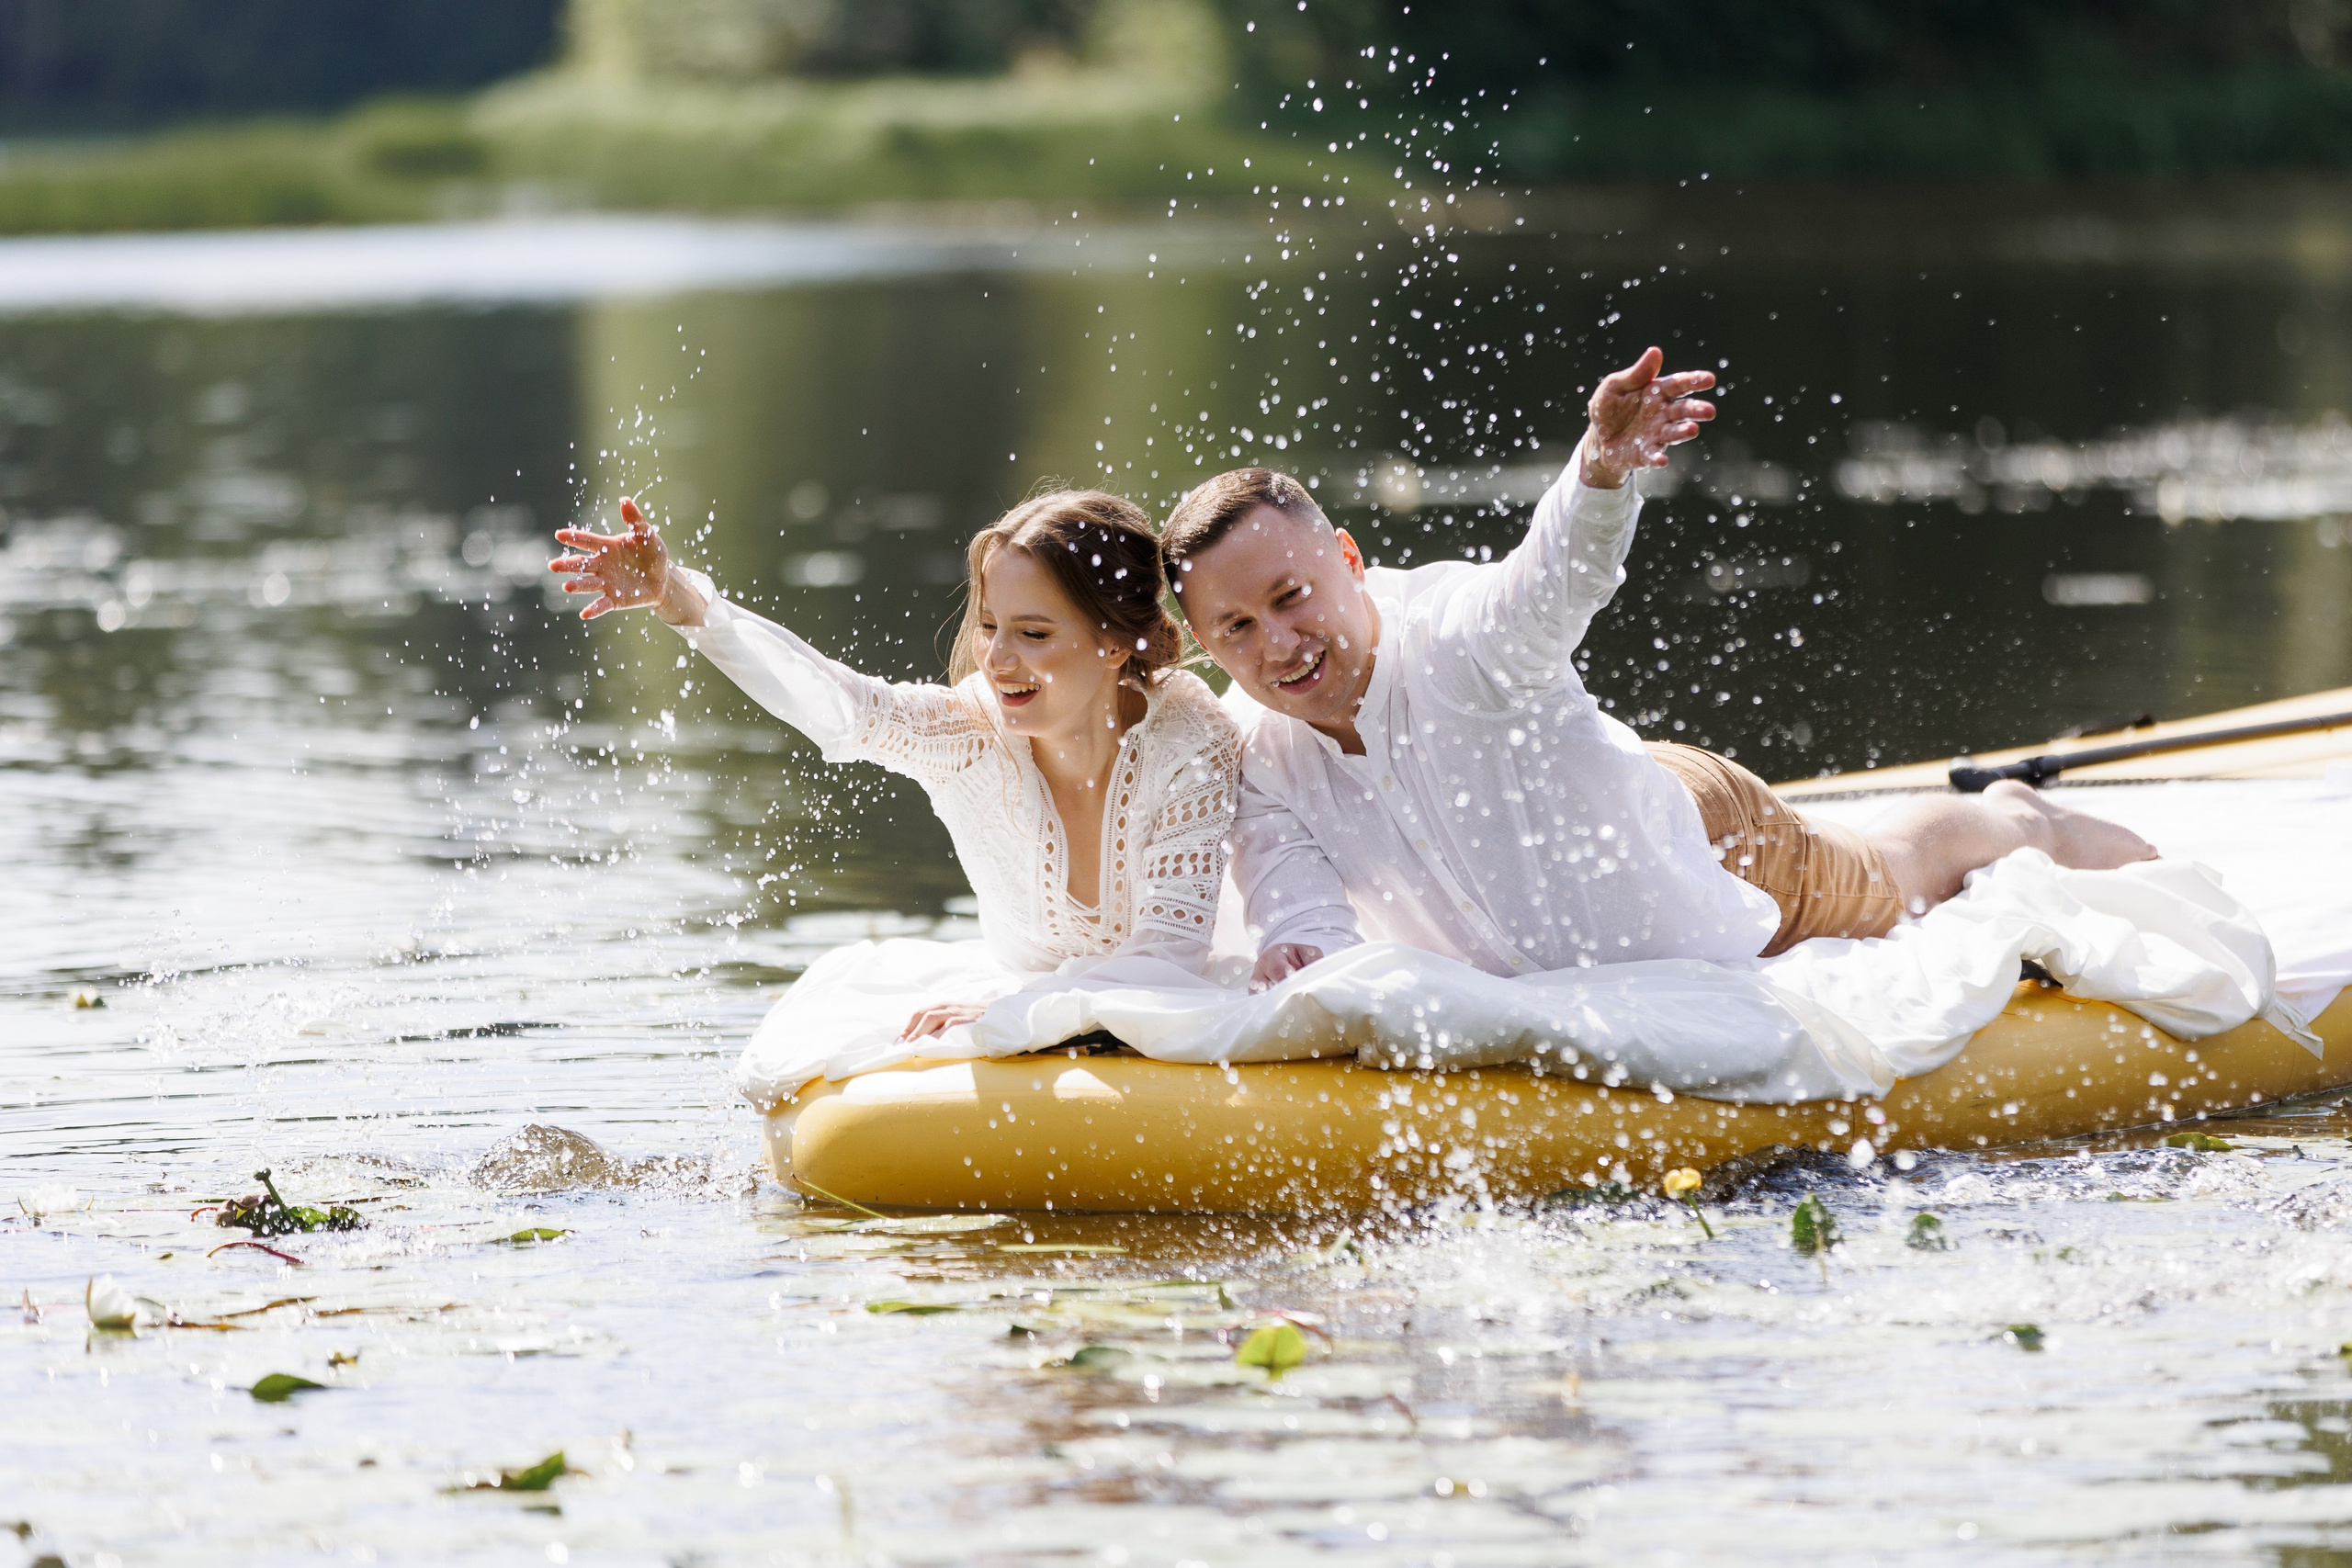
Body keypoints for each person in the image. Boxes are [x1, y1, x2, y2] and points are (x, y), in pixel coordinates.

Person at [1159, 346, 2158, 992]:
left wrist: (1598, 473)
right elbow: (1293, 895)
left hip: (1705, 835)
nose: (1277, 646)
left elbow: (1552, 581)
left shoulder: (1463, 639)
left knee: (1902, 871)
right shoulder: (1253, 751)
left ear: (1345, 561)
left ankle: (2028, 818)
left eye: (1291, 598)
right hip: (1588, 864)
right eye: (1236, 628)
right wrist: (1304, 956)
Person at [548, 491, 1240, 1099]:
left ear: (1117, 644)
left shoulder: (1189, 737)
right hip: (1016, 994)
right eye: (991, 626)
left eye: (1033, 633)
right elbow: (842, 705)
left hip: (1169, 1005)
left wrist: (1016, 1008)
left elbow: (1169, 960)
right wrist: (681, 599)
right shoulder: (970, 733)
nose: (997, 660)